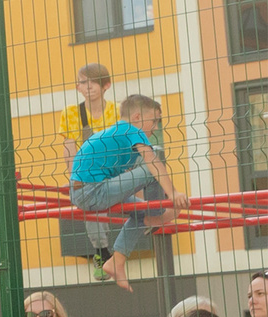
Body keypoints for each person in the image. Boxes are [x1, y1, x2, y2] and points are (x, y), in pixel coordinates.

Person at [69, 93, 189, 289]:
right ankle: (155, 216)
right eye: (154, 120)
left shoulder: (119, 134)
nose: (156, 127)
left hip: (89, 189)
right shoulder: (131, 131)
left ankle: (116, 262)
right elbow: (152, 162)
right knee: (152, 170)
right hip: (92, 190)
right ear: (137, 118)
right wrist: (173, 194)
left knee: (140, 212)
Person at [58, 62, 118, 170]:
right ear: (78, 87)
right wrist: (75, 179)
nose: (89, 86)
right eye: (84, 82)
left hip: (115, 170)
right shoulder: (70, 113)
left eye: (94, 81)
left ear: (107, 85)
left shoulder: (118, 110)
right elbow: (69, 149)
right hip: (86, 172)